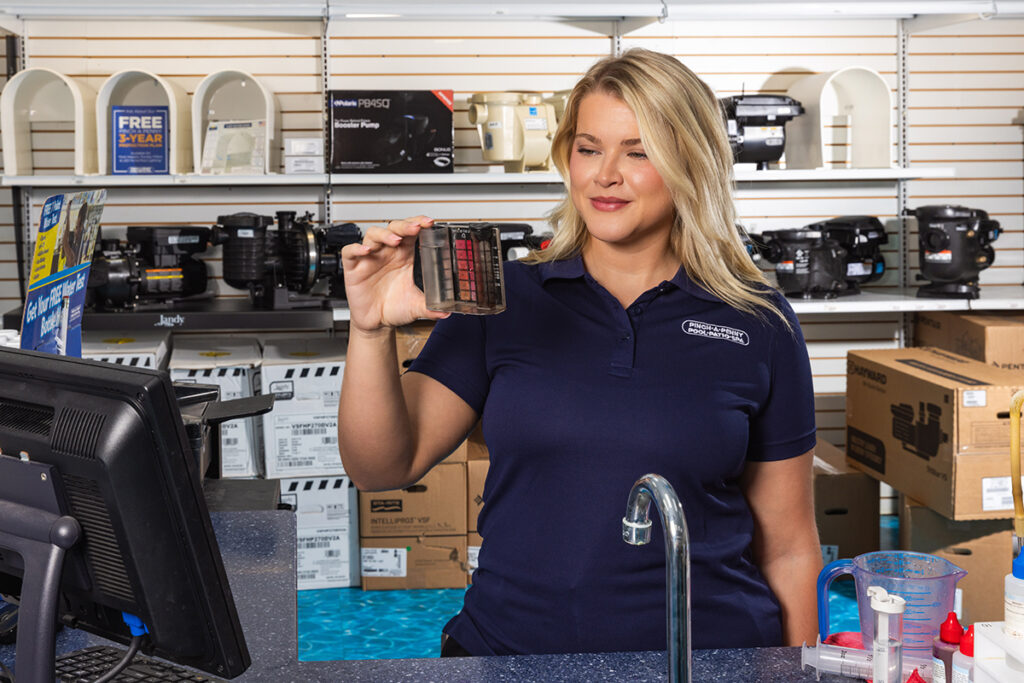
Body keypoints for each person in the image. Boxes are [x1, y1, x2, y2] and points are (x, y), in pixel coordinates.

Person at [338, 48, 822, 657]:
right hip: (511, 655)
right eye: (588, 148)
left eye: (639, 151)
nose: (604, 174)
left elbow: (791, 546)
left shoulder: (758, 321)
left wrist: (800, 672)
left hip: (706, 660)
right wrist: (370, 330)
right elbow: (381, 467)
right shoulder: (505, 299)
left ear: (691, 165)